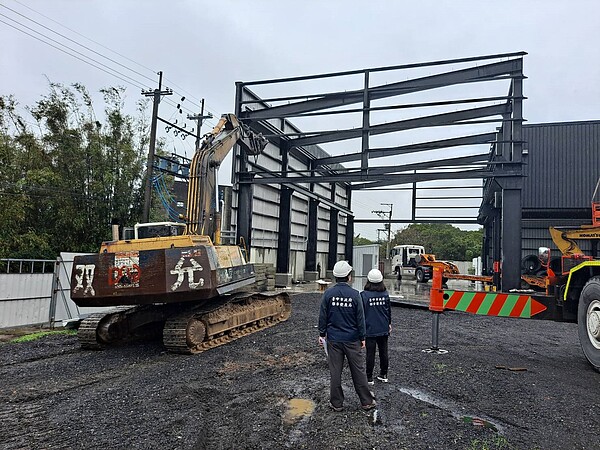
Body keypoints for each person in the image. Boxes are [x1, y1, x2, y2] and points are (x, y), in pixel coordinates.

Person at [318, 260, 376, 412]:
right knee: (358, 370)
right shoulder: (355, 295)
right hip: (352, 339)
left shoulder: (328, 294)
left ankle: (337, 403)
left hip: (334, 340)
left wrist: (322, 334)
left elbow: (323, 316)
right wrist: (363, 337)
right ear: (349, 277)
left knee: (335, 371)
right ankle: (366, 401)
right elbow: (360, 319)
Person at [360, 268, 391, 385]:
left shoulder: (363, 295)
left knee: (370, 353)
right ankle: (384, 374)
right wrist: (389, 324)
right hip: (383, 328)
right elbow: (388, 311)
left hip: (370, 329)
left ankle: (369, 378)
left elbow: (361, 314)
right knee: (384, 351)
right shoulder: (385, 294)